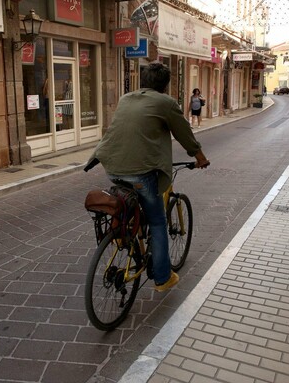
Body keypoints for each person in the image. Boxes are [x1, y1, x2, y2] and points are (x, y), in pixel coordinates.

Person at [85, 63, 210, 292]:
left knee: (134, 200)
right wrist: (200, 157)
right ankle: (163, 278)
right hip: (142, 171)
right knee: (158, 221)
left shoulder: (125, 99)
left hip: (111, 165)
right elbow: (184, 134)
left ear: (142, 81)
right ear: (165, 84)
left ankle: (124, 235)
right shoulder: (166, 103)